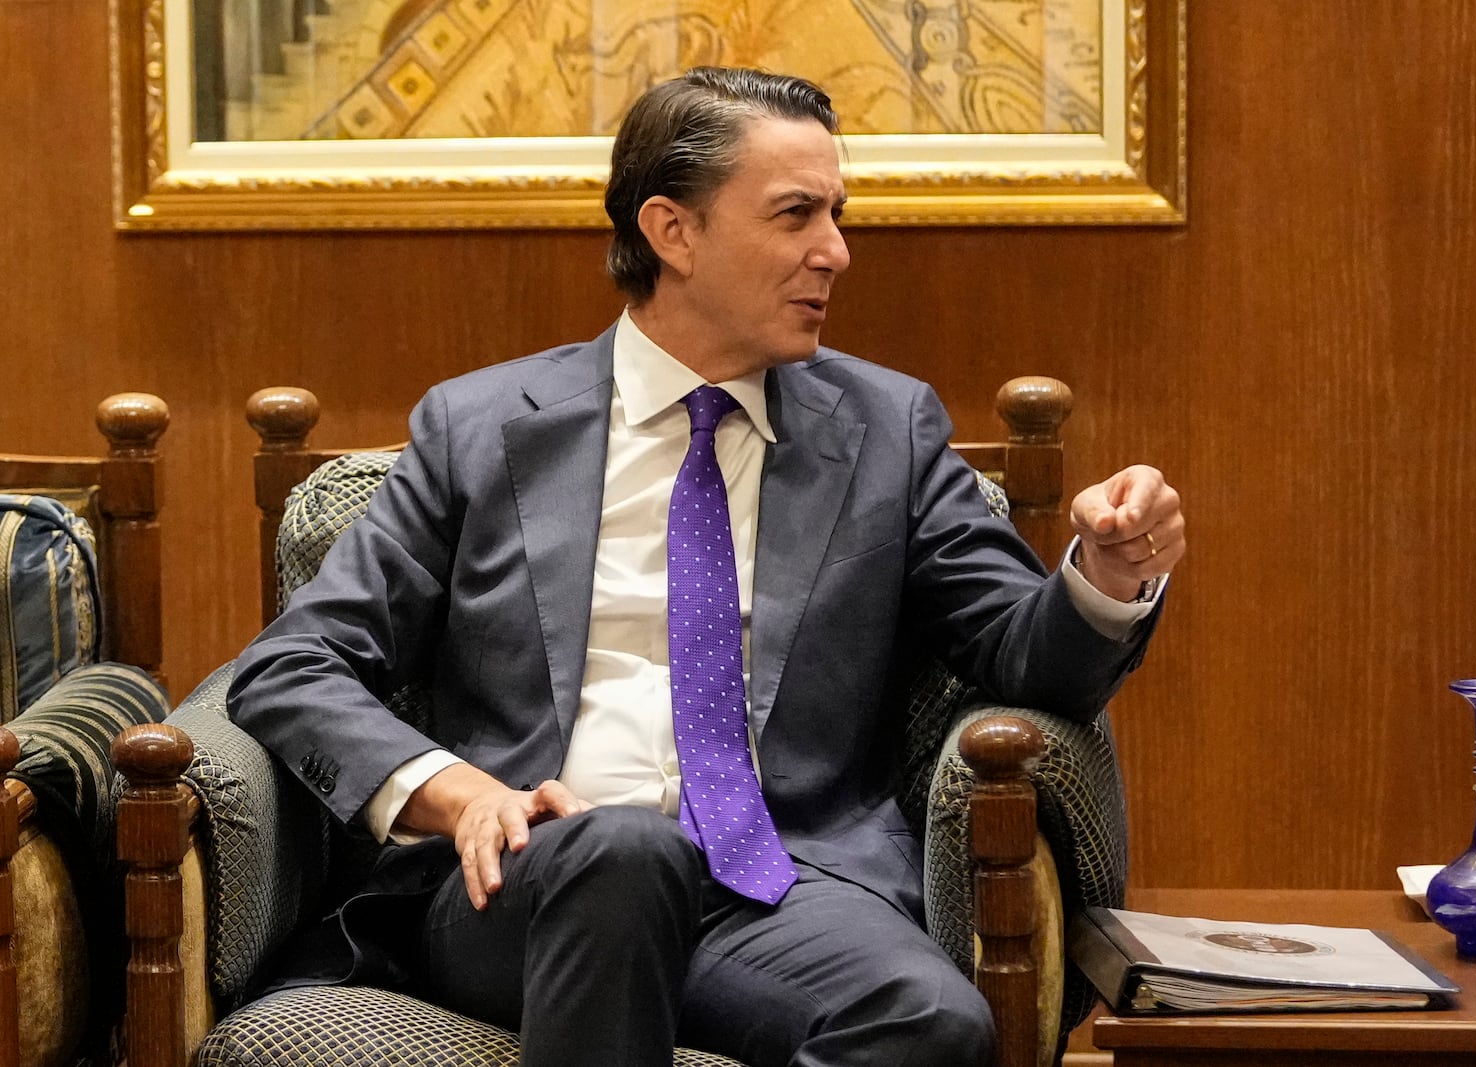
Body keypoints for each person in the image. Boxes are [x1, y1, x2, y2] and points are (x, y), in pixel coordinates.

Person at [229, 66, 1185, 1067]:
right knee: (625, 852)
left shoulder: (883, 431)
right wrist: (463, 793)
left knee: (930, 1023)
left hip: (773, 884)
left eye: (837, 213)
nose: (837, 251)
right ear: (671, 231)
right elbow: (293, 666)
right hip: (522, 882)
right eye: (795, 215)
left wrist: (1107, 574)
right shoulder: (484, 430)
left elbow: (1023, 656)